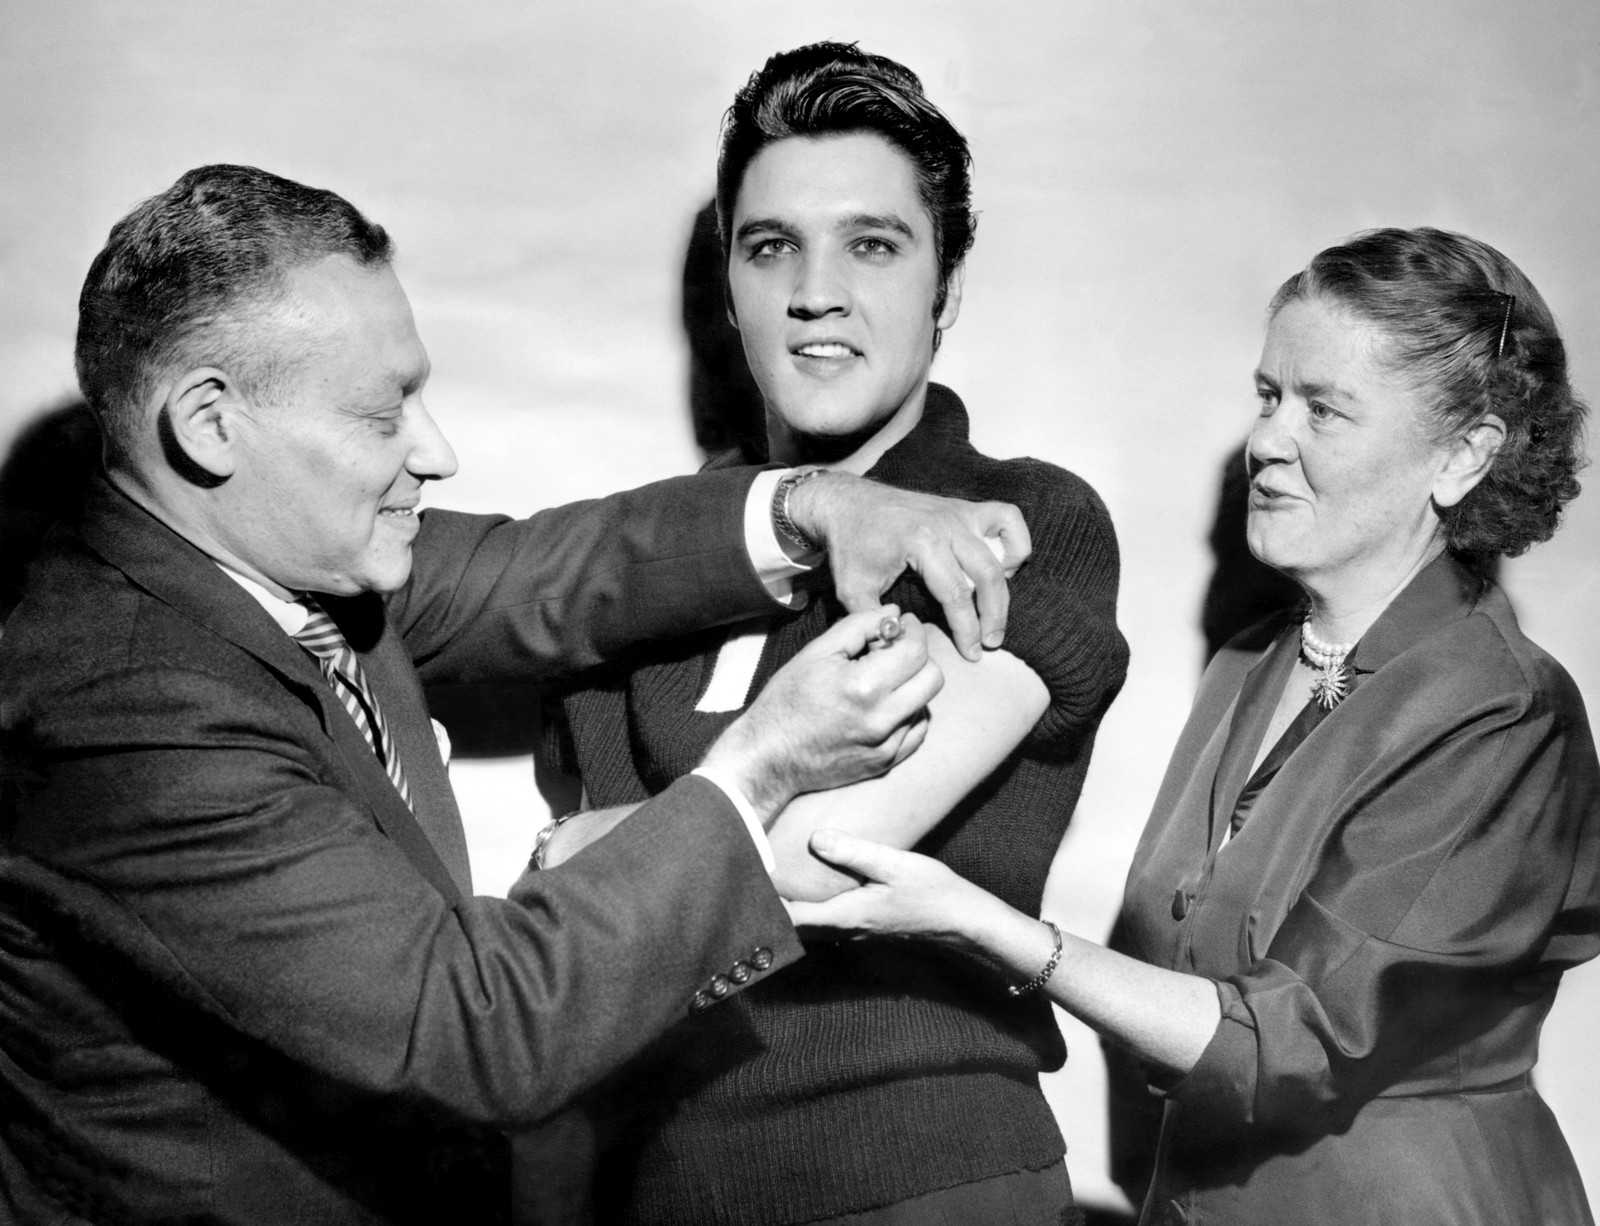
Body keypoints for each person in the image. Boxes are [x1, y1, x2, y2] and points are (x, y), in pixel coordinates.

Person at [0, 163, 1035, 1225]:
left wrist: (819, 503)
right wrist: (758, 768)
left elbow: (552, 569)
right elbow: (478, 1025)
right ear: (210, 425)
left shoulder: (279, 562)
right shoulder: (124, 704)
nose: (436, 452)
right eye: (382, 414)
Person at [789, 227, 1600, 1225]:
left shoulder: (1503, 708)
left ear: (1462, 456)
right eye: (1267, 396)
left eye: (1324, 409)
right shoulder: (1249, 664)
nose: (1267, 441)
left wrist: (977, 920)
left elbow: (1286, 1045)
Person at [540, 42, 1127, 1225]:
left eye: (872, 245)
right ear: (728, 288)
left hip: (921, 1179)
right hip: (654, 1188)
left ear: (945, 286)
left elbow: (828, 849)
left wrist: (585, 846)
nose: (817, 292)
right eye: (771, 247)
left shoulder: (1018, 518)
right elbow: (588, 958)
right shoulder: (661, 554)